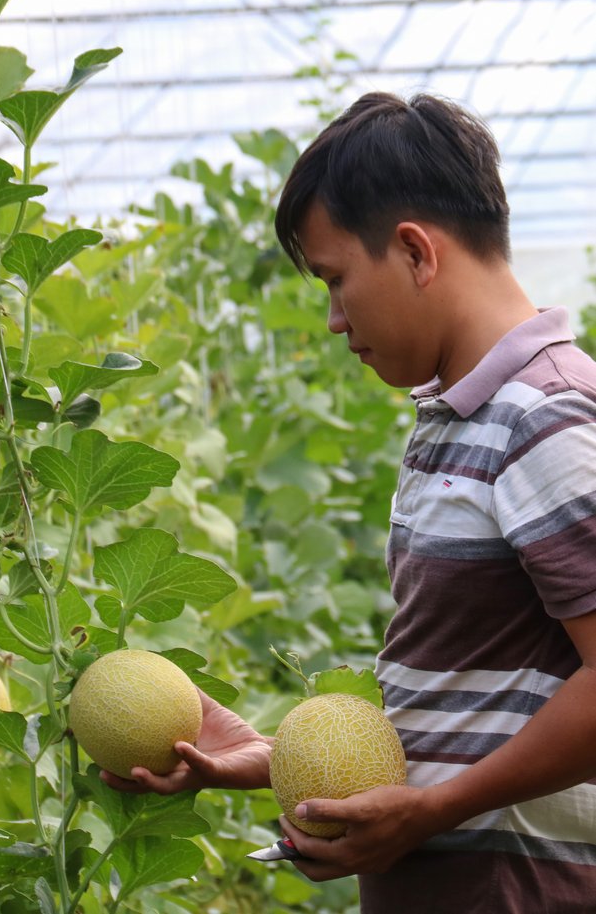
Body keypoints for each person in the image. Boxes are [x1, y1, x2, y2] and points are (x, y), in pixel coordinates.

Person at [102, 92, 596, 912]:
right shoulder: (456, 420)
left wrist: (430, 811)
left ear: (413, 251)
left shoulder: (544, 418)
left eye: (335, 280)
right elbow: (465, 696)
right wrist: (268, 755)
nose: (333, 320)